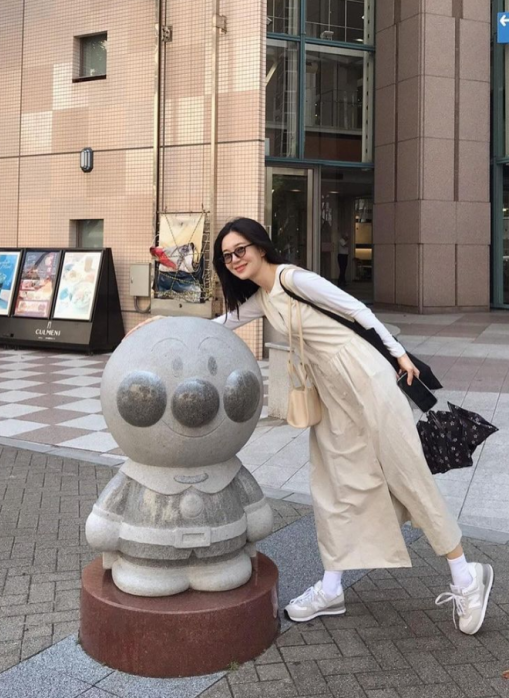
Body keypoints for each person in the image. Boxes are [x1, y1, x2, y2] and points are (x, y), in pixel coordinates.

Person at [210, 217, 494, 635]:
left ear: (260, 246)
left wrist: (400, 355)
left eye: (240, 250)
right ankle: (331, 589)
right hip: (331, 394)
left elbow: (355, 309)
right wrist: (161, 328)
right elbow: (222, 323)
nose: (235, 259)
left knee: (406, 474)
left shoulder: (292, 279)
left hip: (365, 378)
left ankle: (466, 577)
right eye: (227, 256)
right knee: (335, 483)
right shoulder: (264, 297)